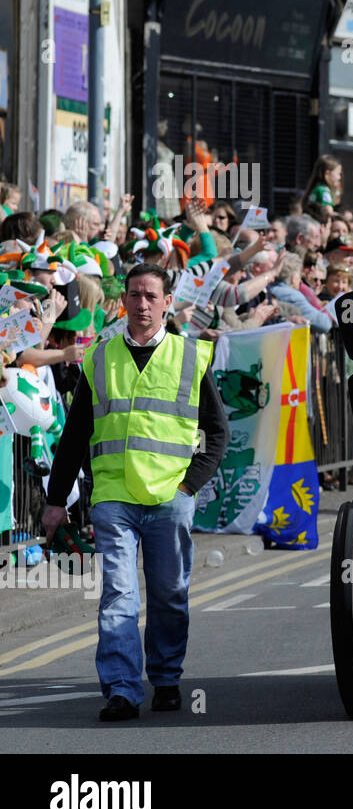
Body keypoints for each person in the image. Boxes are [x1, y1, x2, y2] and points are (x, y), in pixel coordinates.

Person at [41, 263, 230, 722]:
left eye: (151, 296)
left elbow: (218, 433)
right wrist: (54, 500)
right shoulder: (99, 357)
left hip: (170, 499)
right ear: (122, 301)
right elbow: (75, 434)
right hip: (113, 498)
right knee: (119, 594)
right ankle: (123, 690)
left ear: (167, 302)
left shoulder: (191, 356)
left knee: (168, 593)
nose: (141, 304)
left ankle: (165, 679)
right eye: (134, 295)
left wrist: (188, 485)